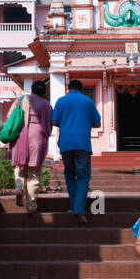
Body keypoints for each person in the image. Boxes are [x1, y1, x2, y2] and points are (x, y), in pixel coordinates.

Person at [51, 79, 101, 223]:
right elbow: (97, 123)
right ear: (81, 89)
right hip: (82, 143)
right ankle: (78, 210)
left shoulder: (61, 101)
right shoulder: (88, 101)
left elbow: (54, 121)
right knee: (83, 176)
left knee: (69, 174)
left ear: (68, 88)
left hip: (66, 143)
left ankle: (75, 207)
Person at [12, 80, 52, 214]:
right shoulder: (46, 104)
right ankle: (31, 206)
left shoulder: (20, 100)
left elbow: (9, 116)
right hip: (37, 138)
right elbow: (49, 126)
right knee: (33, 173)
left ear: (32, 89)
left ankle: (19, 189)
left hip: (20, 135)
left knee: (20, 167)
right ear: (43, 92)